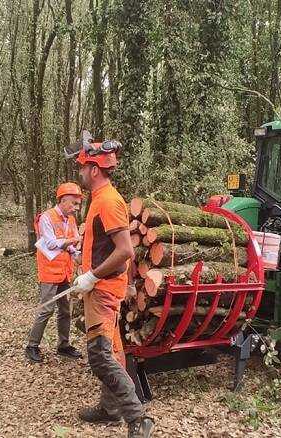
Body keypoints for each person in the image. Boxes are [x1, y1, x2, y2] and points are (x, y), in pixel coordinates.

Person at [66, 132, 155, 437]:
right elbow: (109, 247)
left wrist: (92, 276)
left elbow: (126, 251)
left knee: (100, 356)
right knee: (114, 351)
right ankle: (109, 408)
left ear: (94, 169)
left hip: (103, 290)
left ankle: (138, 418)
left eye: (82, 168)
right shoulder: (100, 199)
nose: (80, 173)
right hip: (102, 287)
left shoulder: (108, 201)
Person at [25, 182, 84, 363]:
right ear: (63, 200)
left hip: (65, 272)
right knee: (46, 309)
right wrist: (73, 240)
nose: (76, 208)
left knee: (65, 311)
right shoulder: (47, 217)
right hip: (49, 273)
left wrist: (78, 254)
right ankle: (32, 346)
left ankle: (63, 345)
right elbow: (50, 243)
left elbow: (72, 246)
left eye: (78, 204)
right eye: (74, 203)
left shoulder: (71, 220)